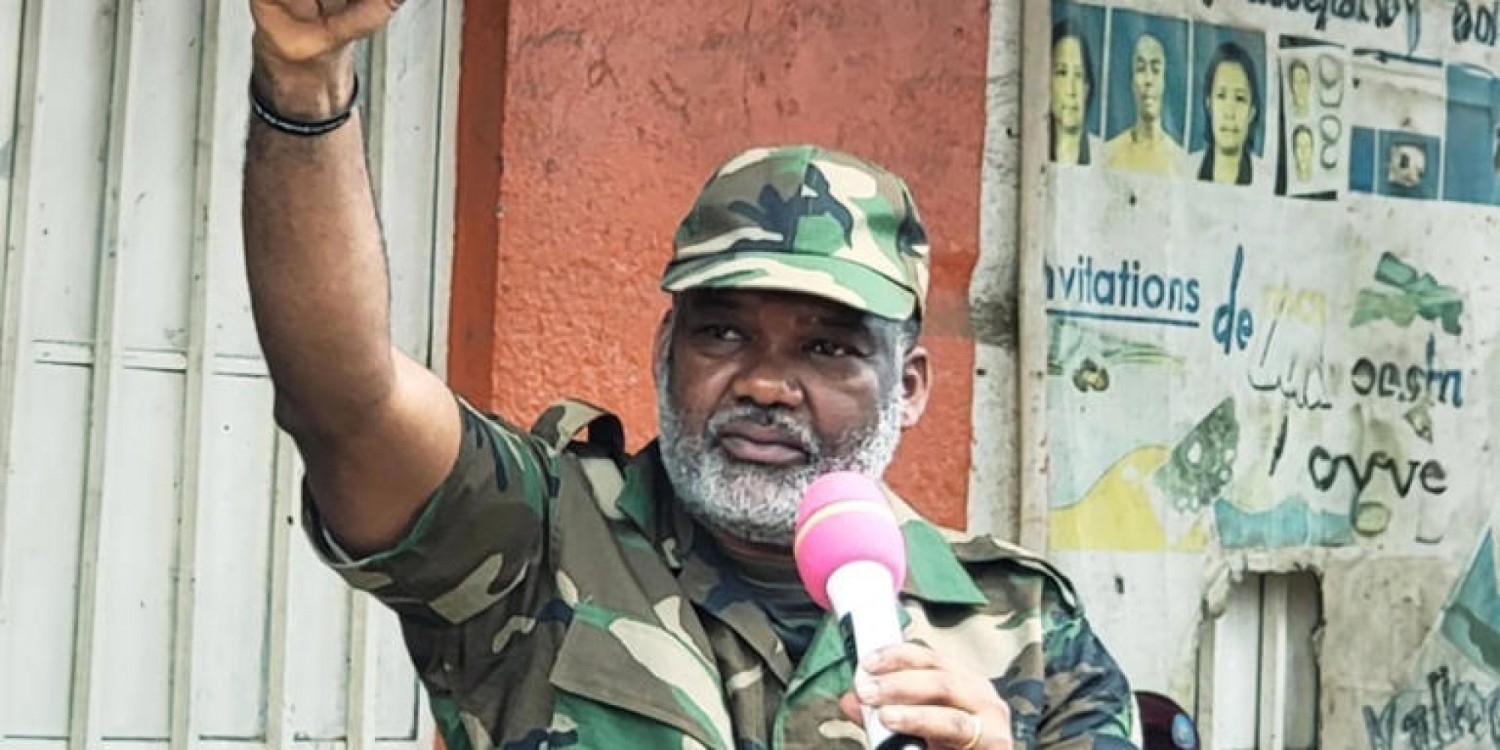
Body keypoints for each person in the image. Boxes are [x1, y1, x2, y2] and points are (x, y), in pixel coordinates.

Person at [241, 1, 1139, 748]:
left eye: (827, 349)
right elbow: (343, 401)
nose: (765, 385)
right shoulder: (536, 536)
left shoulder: (1025, 626)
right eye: (723, 333)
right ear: (665, 350)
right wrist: (304, 81)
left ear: (907, 387)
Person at [1104, 33, 1187, 176]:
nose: (1148, 80)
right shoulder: (1109, 155)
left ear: (1164, 82)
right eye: (1141, 69)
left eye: (1156, 70)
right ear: (1132, 82)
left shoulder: (1181, 162)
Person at [1195, 41, 1261, 186]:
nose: (1230, 112)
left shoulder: (1265, 178)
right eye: (1221, 95)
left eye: (1240, 98)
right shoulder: (1186, 169)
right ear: (1209, 104)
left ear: (1252, 111)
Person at [1051, 19, 1102, 166]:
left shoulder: (1103, 155)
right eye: (1062, 73)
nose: (1071, 90)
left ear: (1087, 88)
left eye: (1079, 75)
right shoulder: (1032, 147)